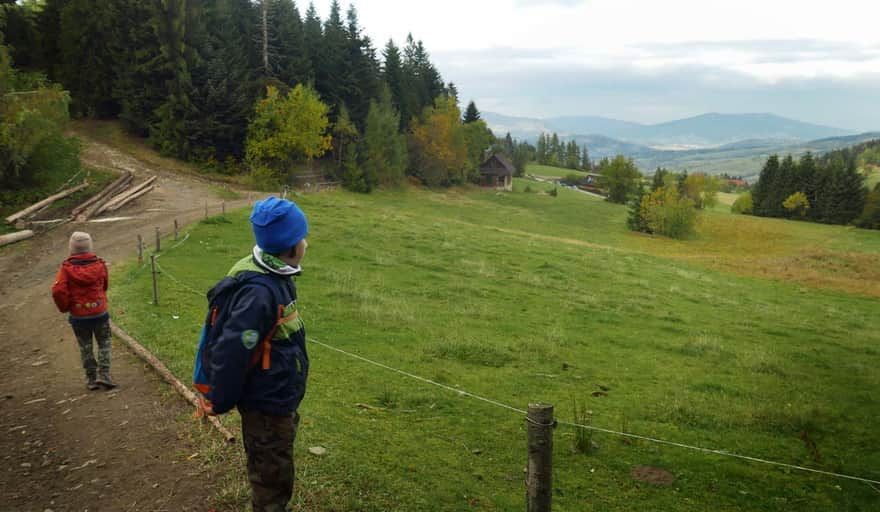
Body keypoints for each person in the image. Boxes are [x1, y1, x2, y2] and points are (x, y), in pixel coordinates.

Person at [202, 197, 310, 512]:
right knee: (271, 481)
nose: (306, 243)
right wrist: (219, 399)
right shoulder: (259, 293)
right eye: (302, 238)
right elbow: (233, 350)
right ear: (291, 247)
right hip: (266, 405)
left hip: (277, 398)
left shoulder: (275, 274)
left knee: (276, 466)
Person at [52, 232, 116, 390]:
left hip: (79, 317)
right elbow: (105, 285)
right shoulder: (100, 265)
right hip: (99, 312)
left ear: (72, 249)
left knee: (85, 346)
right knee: (105, 343)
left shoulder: (66, 269)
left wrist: (65, 307)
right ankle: (105, 374)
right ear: (89, 247)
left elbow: (58, 290)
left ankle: (91, 379)